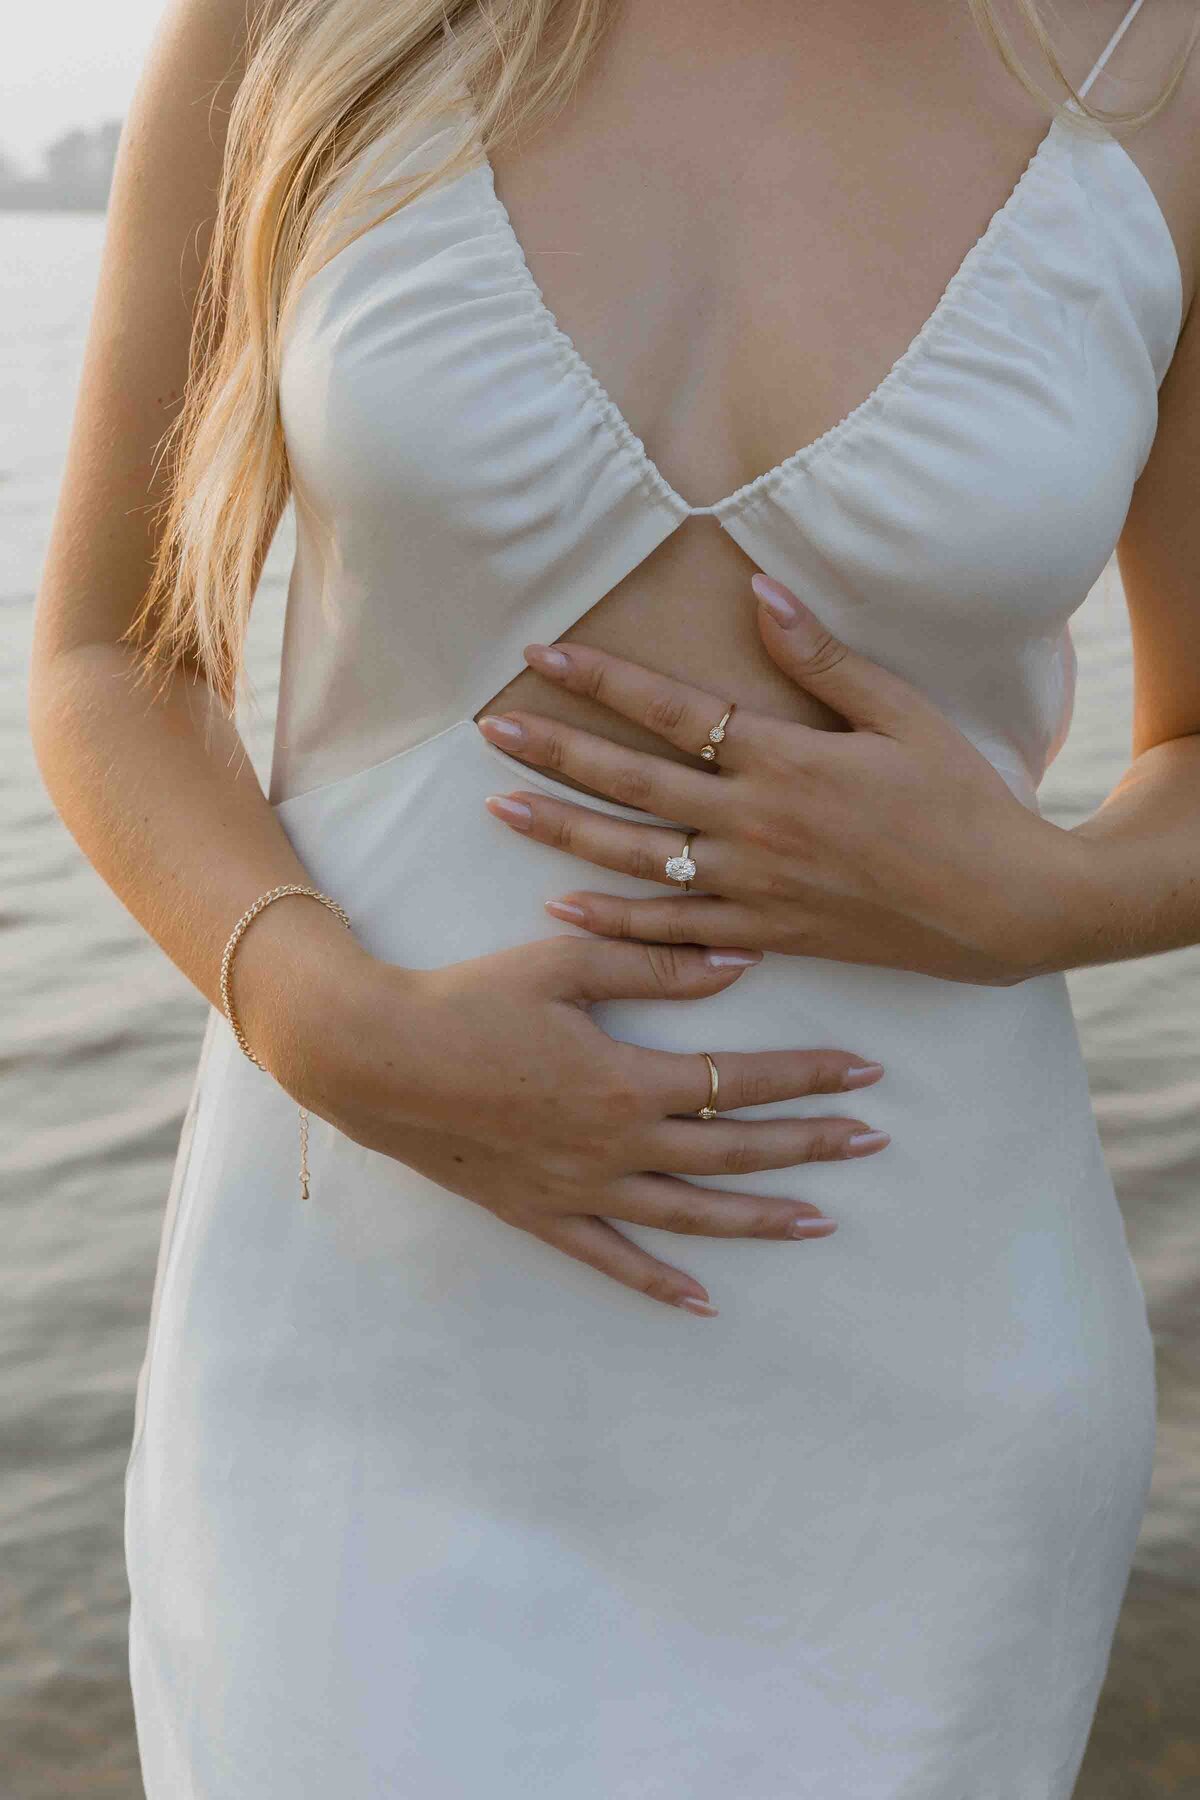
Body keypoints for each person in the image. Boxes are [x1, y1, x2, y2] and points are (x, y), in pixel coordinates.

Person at [28, 0, 1200, 1793]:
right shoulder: (296, 20)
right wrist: (321, 1020)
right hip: (358, 1320)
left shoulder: (1163, 59)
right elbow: (116, 657)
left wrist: (1042, 896)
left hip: (917, 1370)